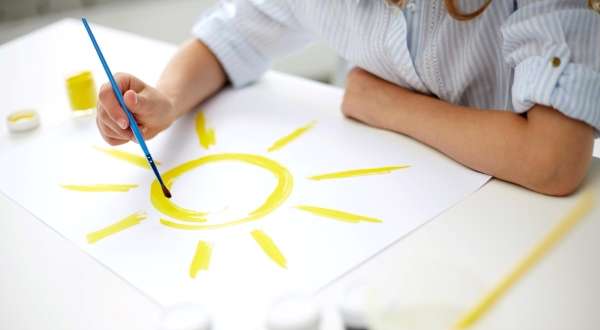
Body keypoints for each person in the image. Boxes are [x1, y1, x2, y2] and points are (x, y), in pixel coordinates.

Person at [95, 0, 600, 196]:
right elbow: (231, 39)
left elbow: (552, 160)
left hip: (511, 208)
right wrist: (166, 100)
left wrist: (385, 105)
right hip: (397, 200)